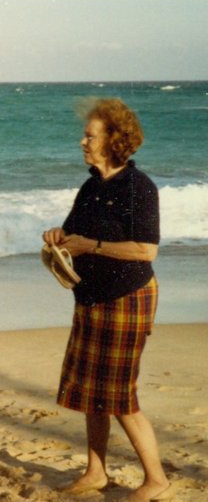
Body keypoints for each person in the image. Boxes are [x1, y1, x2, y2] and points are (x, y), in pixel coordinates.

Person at [42, 98, 173, 502]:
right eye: (84, 134)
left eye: (90, 135)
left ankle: (157, 480)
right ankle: (96, 471)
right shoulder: (91, 186)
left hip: (128, 297)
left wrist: (94, 245)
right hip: (91, 297)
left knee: (118, 394)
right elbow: (71, 236)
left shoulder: (138, 187)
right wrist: (57, 239)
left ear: (113, 140)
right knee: (90, 391)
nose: (82, 141)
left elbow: (145, 250)